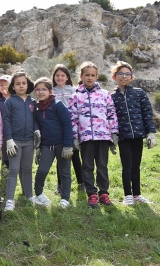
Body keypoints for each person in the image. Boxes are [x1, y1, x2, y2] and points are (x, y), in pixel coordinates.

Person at [68, 61, 118, 208]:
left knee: (102, 165)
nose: (89, 78)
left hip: (103, 136)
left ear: (96, 76)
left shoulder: (105, 94)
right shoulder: (75, 96)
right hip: (86, 137)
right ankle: (92, 194)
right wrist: (75, 136)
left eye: (92, 75)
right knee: (87, 166)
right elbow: (73, 118)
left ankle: (103, 193)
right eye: (86, 75)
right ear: (81, 76)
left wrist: (114, 133)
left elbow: (111, 114)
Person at [110, 61, 156, 205]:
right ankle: (127, 195)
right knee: (127, 166)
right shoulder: (111, 97)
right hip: (123, 137)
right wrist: (113, 135)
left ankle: (137, 194)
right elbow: (110, 116)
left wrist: (151, 133)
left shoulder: (139, 93)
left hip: (138, 135)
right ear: (114, 77)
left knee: (136, 165)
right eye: (120, 74)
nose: (123, 77)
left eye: (127, 74)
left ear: (132, 77)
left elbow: (147, 113)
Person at [33, 77, 73, 208]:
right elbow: (37, 128)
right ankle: (38, 194)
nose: (40, 92)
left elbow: (67, 124)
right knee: (42, 170)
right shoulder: (37, 109)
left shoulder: (58, 105)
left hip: (62, 145)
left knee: (64, 171)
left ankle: (65, 198)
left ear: (50, 91)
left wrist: (68, 145)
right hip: (46, 145)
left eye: (44, 89)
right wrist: (38, 147)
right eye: (37, 89)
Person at [3, 70, 37, 211]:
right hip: (14, 142)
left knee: (27, 169)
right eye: (18, 84)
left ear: (28, 84)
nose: (21, 86)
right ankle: (10, 199)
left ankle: (29, 195)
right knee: (13, 169)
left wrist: (36, 130)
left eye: (24, 83)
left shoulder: (33, 102)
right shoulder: (9, 101)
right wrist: (9, 139)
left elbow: (36, 119)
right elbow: (6, 121)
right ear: (13, 86)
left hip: (29, 141)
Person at [52, 64, 84, 193]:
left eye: (62, 75)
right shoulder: (51, 91)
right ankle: (60, 185)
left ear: (67, 77)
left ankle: (82, 182)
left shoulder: (73, 90)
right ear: (54, 77)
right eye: (57, 75)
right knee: (60, 157)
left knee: (75, 156)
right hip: (57, 128)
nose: (60, 78)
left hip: (71, 128)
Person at [0, 75, 12, 169]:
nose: (3, 86)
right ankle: (4, 183)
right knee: (5, 164)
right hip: (4, 137)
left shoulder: (16, 100)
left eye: (6, 84)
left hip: (16, 136)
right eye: (1, 84)